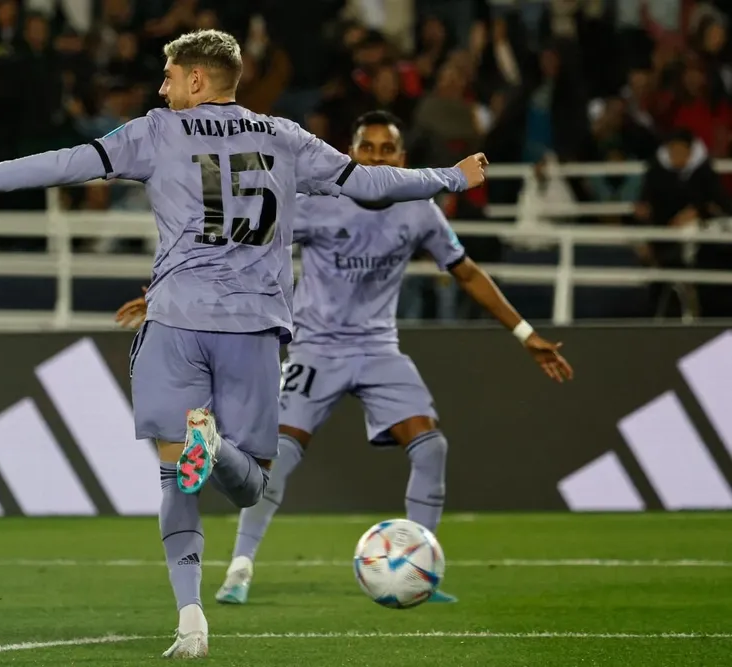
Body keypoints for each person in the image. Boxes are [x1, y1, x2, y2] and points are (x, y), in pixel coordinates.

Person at [0, 30, 487, 659]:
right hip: (256, 328)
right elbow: (372, 185)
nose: (162, 87)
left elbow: (61, 163)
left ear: (197, 81)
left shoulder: (156, 133)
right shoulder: (285, 137)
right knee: (250, 484)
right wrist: (449, 178)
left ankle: (191, 610)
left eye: (168, 76)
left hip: (177, 320)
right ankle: (192, 612)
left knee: (173, 473)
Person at [117, 110, 574, 606]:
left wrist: (525, 332)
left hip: (379, 350)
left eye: (387, 150)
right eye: (367, 148)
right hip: (316, 348)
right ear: (353, 152)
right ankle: (240, 568)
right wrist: (174, 292)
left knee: (431, 447)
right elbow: (242, 241)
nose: (377, 157)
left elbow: (465, 272)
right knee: (278, 458)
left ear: (402, 158)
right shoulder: (316, 203)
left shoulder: (420, 209)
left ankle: (417, 567)